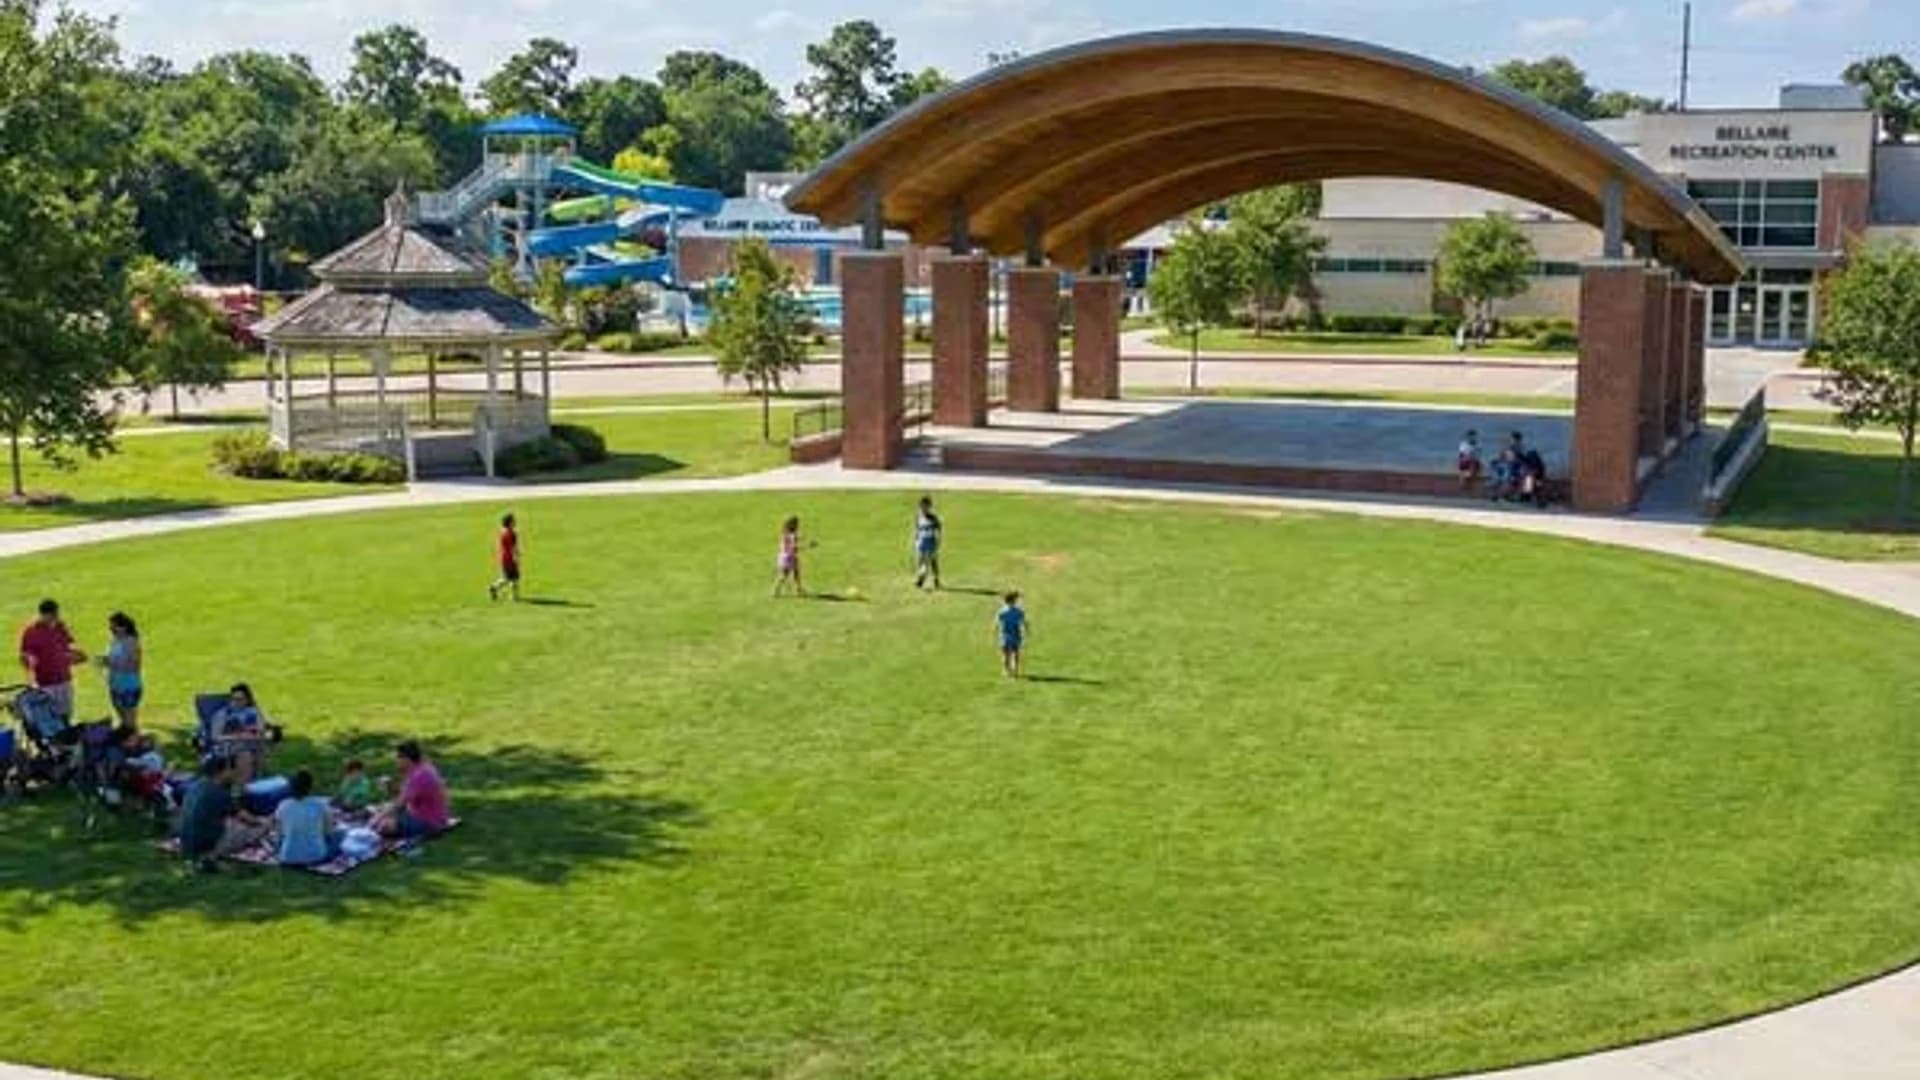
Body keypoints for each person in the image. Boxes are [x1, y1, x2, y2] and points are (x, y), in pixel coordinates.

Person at [178, 754, 266, 873]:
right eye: (229, 769)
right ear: (220, 772)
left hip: (186, 842)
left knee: (230, 823)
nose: (232, 772)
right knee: (252, 830)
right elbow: (246, 818)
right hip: (205, 845)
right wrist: (265, 822)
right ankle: (210, 856)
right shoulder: (219, 792)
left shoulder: (195, 786)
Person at [18, 599, 85, 724]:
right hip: (46, 683)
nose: (56, 618)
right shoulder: (31, 631)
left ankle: (67, 738)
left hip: (65, 679)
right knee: (50, 718)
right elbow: (24, 655)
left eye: (57, 614)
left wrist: (77, 655)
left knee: (66, 715)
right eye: (53, 615)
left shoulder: (61, 626)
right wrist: (27, 662)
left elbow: (68, 646)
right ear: (43, 615)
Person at [374, 739, 450, 839]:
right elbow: (406, 795)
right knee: (384, 810)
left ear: (406, 759)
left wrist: (377, 819)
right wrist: (390, 787)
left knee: (384, 826)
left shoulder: (419, 776)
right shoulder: (422, 768)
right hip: (433, 817)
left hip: (429, 823)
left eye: (398, 757)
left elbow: (399, 805)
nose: (396, 761)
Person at [274, 770, 339, 867]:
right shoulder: (320, 805)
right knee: (340, 836)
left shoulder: (283, 806)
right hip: (316, 856)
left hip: (287, 857)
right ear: (310, 787)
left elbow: (279, 835)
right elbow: (328, 833)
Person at [209, 682, 267, 783]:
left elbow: (261, 730)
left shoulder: (253, 712)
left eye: (241, 699)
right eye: (234, 699)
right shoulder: (223, 714)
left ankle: (252, 781)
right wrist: (237, 736)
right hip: (227, 746)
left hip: (252, 743)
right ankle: (245, 785)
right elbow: (215, 737)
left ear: (247, 699)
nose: (237, 702)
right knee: (246, 754)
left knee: (258, 749)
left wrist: (255, 734)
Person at [99, 612, 143, 731]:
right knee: (122, 717)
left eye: (114, 626)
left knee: (129, 719)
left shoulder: (131, 642)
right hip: (115, 685)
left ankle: (134, 741)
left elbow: (134, 665)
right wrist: (104, 660)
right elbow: (112, 658)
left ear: (124, 627)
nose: (111, 629)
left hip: (128, 685)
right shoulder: (114, 641)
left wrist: (111, 663)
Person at [489, 513, 522, 602]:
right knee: (514, 578)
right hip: (510, 559)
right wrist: (517, 556)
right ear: (509, 522)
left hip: (503, 558)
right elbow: (513, 547)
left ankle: (495, 587)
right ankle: (514, 597)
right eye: (513, 520)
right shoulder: (512, 533)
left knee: (507, 578)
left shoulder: (502, 532)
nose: (515, 522)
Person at [913, 496, 943, 591]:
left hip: (931, 542)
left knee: (932, 562)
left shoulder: (934, 518)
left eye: (925, 506)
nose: (923, 508)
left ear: (929, 507)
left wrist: (937, 543)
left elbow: (938, 531)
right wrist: (916, 540)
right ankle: (920, 578)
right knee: (920, 561)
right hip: (921, 542)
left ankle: (933, 579)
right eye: (921, 506)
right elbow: (917, 529)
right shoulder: (919, 517)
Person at [996, 591, 1029, 679]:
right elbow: (1024, 622)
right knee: (1015, 653)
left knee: (1005, 654)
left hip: (1005, 635)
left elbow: (997, 623)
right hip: (1016, 634)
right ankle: (1015, 671)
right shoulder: (1018, 611)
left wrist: (997, 633)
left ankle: (1006, 671)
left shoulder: (1002, 612)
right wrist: (1026, 631)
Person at [772, 516, 806, 598]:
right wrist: (808, 546)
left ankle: (799, 590)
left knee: (793, 574)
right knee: (790, 575)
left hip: (783, 556)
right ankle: (776, 591)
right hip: (790, 557)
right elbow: (794, 548)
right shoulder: (792, 536)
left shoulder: (784, 534)